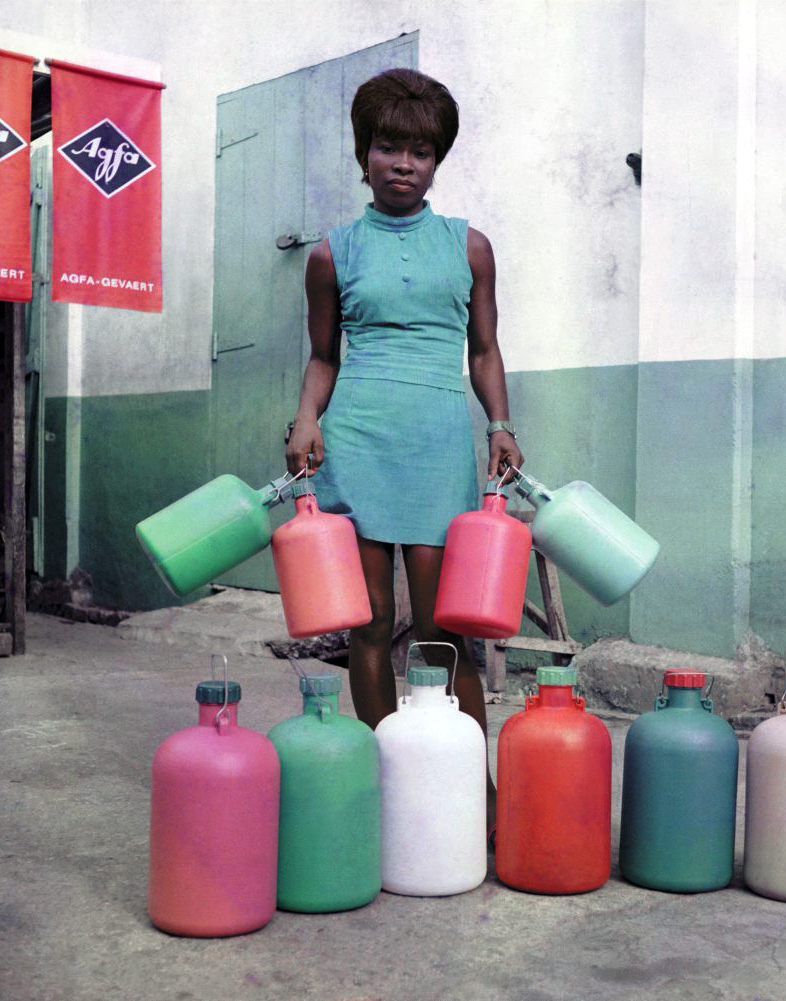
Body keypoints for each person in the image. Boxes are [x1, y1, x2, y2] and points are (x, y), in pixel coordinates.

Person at [285, 68, 523, 833]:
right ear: (363, 153)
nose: (402, 164)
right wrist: (303, 419)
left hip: (436, 446)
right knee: (364, 620)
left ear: (437, 160)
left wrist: (499, 424)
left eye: (419, 151)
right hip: (356, 441)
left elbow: (483, 349)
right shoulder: (331, 253)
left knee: (440, 628)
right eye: (388, 146)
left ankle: (469, 789)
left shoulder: (470, 246)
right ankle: (385, 783)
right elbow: (324, 355)